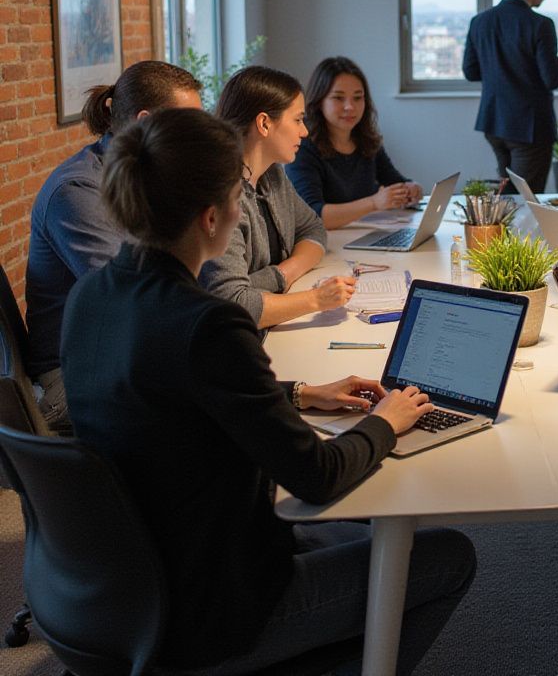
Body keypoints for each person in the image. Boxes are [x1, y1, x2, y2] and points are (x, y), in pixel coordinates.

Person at [60, 108, 475, 674]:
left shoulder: (93, 297)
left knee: (376, 533)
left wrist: (301, 392)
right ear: (211, 218)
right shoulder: (209, 325)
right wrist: (388, 421)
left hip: (125, 578)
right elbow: (317, 476)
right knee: (446, 554)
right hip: (215, 605)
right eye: (238, 197)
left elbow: (169, 395)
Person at [25, 60, 203, 432]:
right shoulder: (77, 192)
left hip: (126, 348)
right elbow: (135, 300)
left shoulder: (147, 176)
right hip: (71, 374)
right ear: (144, 121)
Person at [202, 65, 353, 330]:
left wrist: (284, 273)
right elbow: (233, 302)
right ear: (263, 123)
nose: (304, 131)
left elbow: (313, 229)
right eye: (297, 120)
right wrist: (317, 299)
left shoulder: (273, 175)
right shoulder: (220, 194)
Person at [462, 0, 558, 192]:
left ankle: (502, 230)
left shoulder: (480, 22)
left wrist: (502, 68)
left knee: (509, 193)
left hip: (494, 121)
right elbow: (551, 79)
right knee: (528, 198)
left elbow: (471, 71)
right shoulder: (540, 24)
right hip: (530, 126)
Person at [287, 56, 422, 228]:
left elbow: (395, 181)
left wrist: (411, 188)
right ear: (320, 101)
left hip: (363, 235)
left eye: (358, 98)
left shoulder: (367, 139)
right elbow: (313, 214)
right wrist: (373, 203)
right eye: (338, 98)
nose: (350, 107)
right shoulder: (303, 146)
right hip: (326, 243)